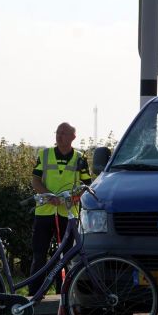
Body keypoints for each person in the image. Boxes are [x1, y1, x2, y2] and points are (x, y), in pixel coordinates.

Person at [29, 122, 91, 295]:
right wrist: (49, 195)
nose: (59, 136)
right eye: (57, 132)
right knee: (39, 255)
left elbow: (87, 185)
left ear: (73, 137)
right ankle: (34, 295)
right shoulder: (45, 154)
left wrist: (73, 199)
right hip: (44, 212)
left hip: (69, 214)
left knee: (66, 257)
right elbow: (35, 180)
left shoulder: (80, 157)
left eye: (63, 133)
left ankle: (61, 294)